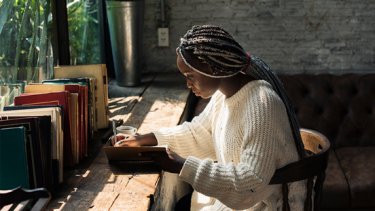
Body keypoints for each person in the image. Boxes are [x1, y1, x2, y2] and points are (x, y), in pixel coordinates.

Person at [112, 25, 307, 211]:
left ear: (211, 68)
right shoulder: (223, 96)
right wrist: (148, 138)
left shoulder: (262, 104)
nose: (187, 84)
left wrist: (182, 165)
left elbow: (251, 183)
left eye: (190, 76)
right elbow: (200, 134)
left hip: (268, 205)